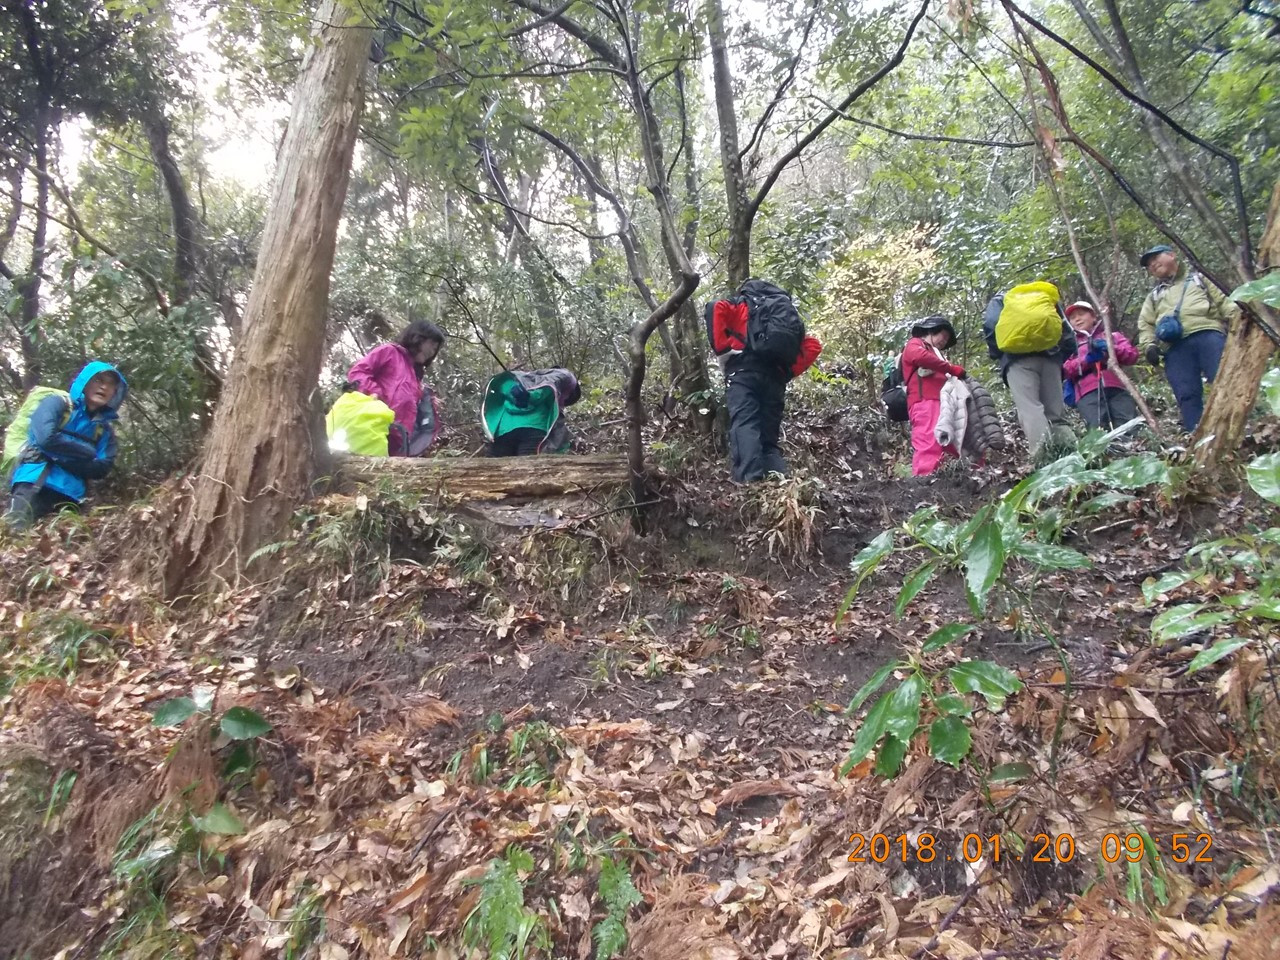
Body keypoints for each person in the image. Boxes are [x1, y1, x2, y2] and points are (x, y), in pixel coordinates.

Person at [706, 280, 822, 483]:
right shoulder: (786, 315)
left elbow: (715, 307)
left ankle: (749, 484)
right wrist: (786, 372)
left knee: (745, 422)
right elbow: (813, 345)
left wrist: (723, 352)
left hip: (743, 373)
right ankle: (780, 485)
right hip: (775, 379)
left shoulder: (745, 304)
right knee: (769, 438)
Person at [5, 362, 128, 530]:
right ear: (85, 382)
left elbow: (102, 468)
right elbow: (46, 438)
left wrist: (56, 456)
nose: (104, 387)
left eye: (110, 384)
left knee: (58, 553)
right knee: (17, 539)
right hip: (34, 484)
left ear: (115, 392)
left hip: (72, 496)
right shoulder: (57, 404)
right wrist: (87, 452)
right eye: (98, 380)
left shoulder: (103, 430)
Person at [1136, 244, 1239, 432]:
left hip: (1208, 334)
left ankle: (1234, 428)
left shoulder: (1199, 279)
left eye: (1155, 258)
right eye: (1149, 264)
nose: (1152, 265)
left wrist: (1241, 324)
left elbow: (1225, 303)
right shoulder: (1154, 296)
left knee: (1223, 381)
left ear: (1172, 255)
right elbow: (1145, 324)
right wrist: (1149, 346)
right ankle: (1196, 435)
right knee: (1186, 393)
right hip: (1174, 347)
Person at [982, 283, 1077, 457]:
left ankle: (1043, 461)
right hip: (1050, 358)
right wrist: (1059, 356)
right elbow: (1068, 333)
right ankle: (1072, 457)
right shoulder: (1044, 299)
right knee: (1056, 414)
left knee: (1031, 409)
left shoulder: (1000, 300)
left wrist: (1000, 354)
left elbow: (990, 324)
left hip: (1016, 360)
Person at [346, 319, 445, 456]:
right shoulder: (389, 352)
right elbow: (358, 372)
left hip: (397, 439)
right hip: (372, 427)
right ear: (418, 338)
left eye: (435, 349)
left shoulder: (416, 375)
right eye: (432, 345)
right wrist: (374, 392)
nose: (432, 352)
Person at [901, 316, 966, 476]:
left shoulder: (937, 354)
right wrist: (950, 368)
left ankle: (945, 480)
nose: (944, 341)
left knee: (948, 439)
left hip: (943, 402)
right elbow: (919, 357)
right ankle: (924, 480)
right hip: (924, 401)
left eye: (947, 339)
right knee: (929, 438)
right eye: (942, 336)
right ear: (931, 330)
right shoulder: (916, 344)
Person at [1062, 301, 1140, 430]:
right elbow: (1066, 369)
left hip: (1117, 386)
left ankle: (1131, 449)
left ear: (1093, 317)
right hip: (1087, 392)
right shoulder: (1071, 344)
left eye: (1081, 314)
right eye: (1072, 317)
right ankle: (1107, 451)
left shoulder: (1111, 336)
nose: (1077, 319)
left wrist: (1111, 348)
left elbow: (1132, 355)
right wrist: (1087, 359)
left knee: (1127, 425)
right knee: (1098, 430)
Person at [482, 368, 581, 456]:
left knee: (499, 471)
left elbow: (501, 383)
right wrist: (529, 396)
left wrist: (514, 391)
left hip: (504, 427)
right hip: (534, 426)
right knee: (527, 471)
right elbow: (546, 388)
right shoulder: (566, 376)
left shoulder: (517, 378)